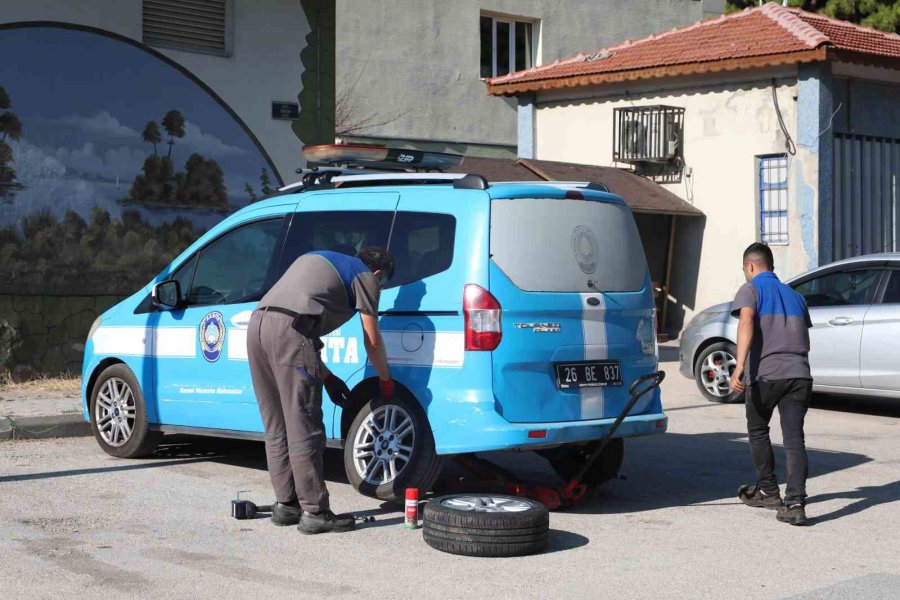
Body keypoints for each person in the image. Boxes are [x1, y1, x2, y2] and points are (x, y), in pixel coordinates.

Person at [247, 247, 396, 534]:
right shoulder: (365, 276)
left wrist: (326, 377)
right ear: (377, 273)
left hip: (258, 326)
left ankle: (286, 505)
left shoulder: (325, 261)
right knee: (304, 424)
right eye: (383, 282)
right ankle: (315, 511)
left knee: (276, 424)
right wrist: (385, 379)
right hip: (289, 332)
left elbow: (298, 324)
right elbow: (372, 339)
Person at [730, 243, 813, 526]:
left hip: (766, 374)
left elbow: (746, 321)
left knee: (757, 430)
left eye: (745, 270)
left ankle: (768, 491)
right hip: (800, 374)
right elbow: (805, 338)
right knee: (794, 440)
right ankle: (796, 503)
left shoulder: (751, 290)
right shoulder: (796, 296)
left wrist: (740, 365)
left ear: (750, 266)